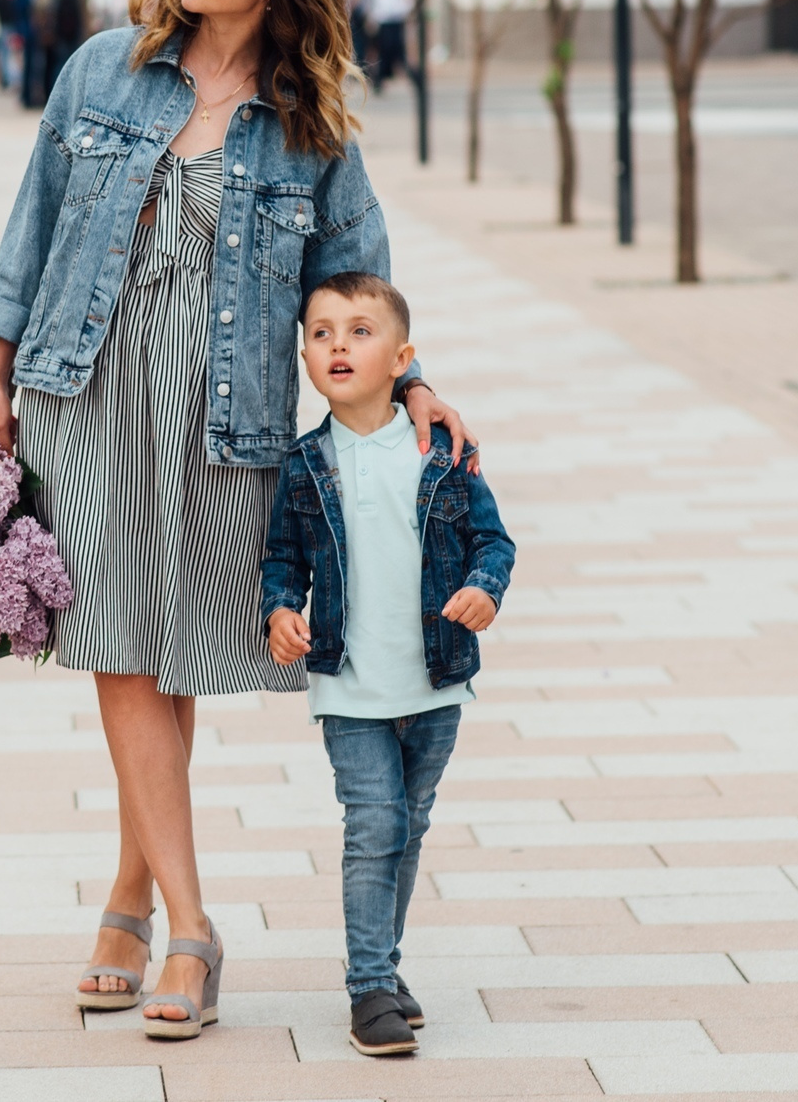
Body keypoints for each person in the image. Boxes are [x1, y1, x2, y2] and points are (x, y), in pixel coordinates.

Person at [0, 0, 478, 1041]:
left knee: (172, 650)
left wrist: (409, 381)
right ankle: (191, 929)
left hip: (220, 413)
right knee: (116, 644)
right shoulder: (103, 67)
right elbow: (32, 220)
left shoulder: (313, 121)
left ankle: (125, 894)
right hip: (84, 388)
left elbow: (355, 279)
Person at [260, 271, 514, 1057]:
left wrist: (483, 588)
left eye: (360, 330)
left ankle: (385, 964)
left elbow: (492, 540)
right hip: (350, 683)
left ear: (403, 356)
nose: (339, 343)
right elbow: (282, 558)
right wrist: (279, 612)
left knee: (408, 827)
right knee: (375, 825)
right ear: (303, 353)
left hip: (435, 681)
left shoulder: (440, 451)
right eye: (322, 331)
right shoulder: (305, 463)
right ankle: (369, 986)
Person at [362, 0, 414, 90]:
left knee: (394, 49)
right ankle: (380, 78)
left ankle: (383, 77)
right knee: (386, 49)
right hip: (387, 19)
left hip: (391, 18)